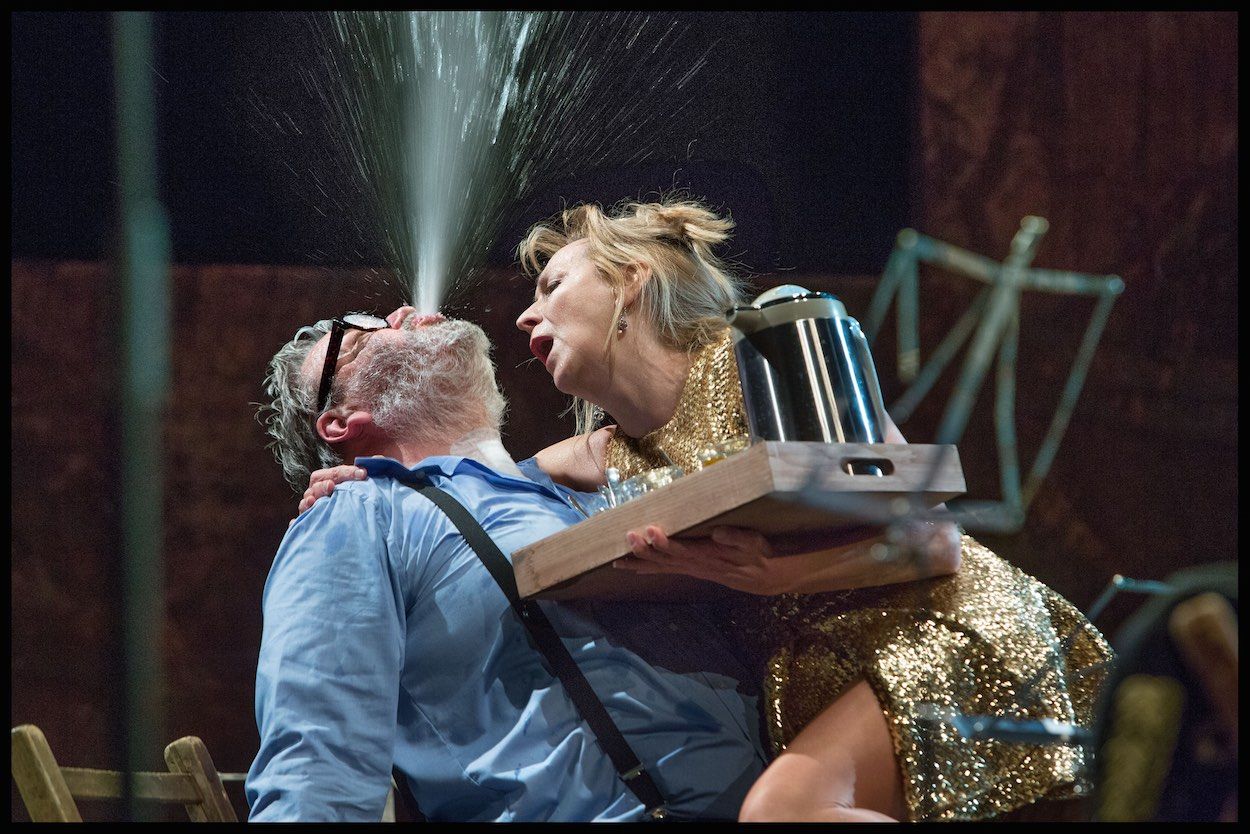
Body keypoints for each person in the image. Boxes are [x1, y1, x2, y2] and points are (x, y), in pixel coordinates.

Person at [302, 198, 1114, 821]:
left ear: (632, 280)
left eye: (552, 287)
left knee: (783, 814)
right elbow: (471, 486)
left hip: (933, 632)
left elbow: (934, 539)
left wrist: (773, 575)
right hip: (823, 687)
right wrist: (367, 480)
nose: (523, 316)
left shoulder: (768, 345)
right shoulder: (603, 456)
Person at [246, 308, 771, 821]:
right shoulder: (357, 516)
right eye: (361, 340)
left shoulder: (579, 487)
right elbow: (315, 763)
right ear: (340, 422)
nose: (404, 312)